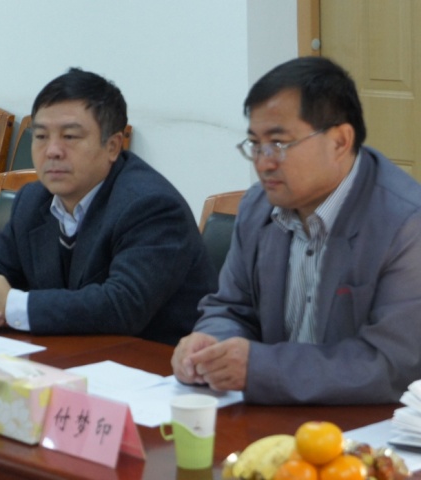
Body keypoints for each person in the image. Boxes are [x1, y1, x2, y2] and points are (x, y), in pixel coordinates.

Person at [172, 56, 421, 404]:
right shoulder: (258, 206)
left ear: (340, 141)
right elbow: (230, 307)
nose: (263, 162)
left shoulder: (406, 222)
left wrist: (258, 368)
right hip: (271, 415)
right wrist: (212, 346)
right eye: (255, 145)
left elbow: (390, 365)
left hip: (371, 424)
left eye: (279, 144)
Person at [0, 67, 209, 345]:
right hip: (65, 352)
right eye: (41, 136)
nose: (52, 150)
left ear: (112, 146)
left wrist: (11, 304)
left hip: (153, 361)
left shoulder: (151, 206)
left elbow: (123, 305)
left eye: (70, 136)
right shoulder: (33, 199)